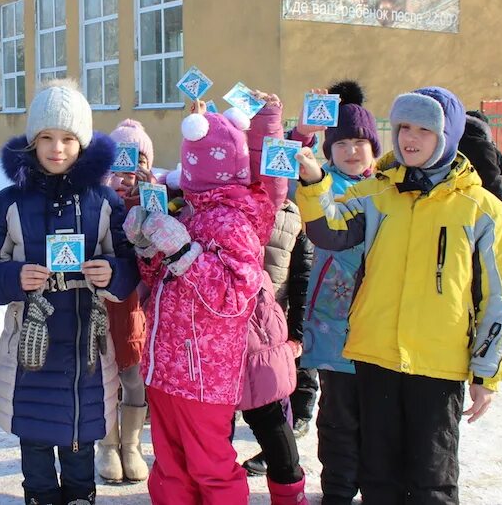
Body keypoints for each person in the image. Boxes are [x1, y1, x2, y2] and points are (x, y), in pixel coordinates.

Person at [296, 86, 502, 504]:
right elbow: (329, 229)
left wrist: (486, 373)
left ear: (447, 136)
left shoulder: (482, 209)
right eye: (402, 128)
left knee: (431, 479)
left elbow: (499, 298)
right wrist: (314, 182)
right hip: (374, 355)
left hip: (438, 366)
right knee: (379, 479)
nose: (409, 138)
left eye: (424, 130)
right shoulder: (378, 193)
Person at [0, 79, 138, 505]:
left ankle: (82, 496)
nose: (57, 148)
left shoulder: (104, 203)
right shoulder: (7, 203)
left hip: (86, 351)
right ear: (32, 142)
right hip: (31, 352)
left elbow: (131, 270)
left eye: (67, 138)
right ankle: (40, 496)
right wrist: (15, 278)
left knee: (80, 441)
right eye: (46, 137)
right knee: (35, 442)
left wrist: (111, 274)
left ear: (82, 144)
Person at [124, 95, 292, 504]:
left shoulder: (234, 221)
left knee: (211, 469)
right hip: (165, 366)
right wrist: (148, 249)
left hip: (203, 374)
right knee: (170, 468)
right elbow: (163, 282)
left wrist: (183, 253)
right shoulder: (190, 213)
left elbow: (235, 297)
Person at [291, 80, 380, 505]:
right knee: (339, 417)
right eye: (341, 142)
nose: (351, 150)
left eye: (360, 142)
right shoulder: (320, 183)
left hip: (380, 324)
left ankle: (375, 486)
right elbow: (286, 160)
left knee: (377, 417)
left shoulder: (388, 187)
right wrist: (304, 131)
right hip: (332, 324)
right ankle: (338, 492)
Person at [240, 199, 314, 481]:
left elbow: (302, 280)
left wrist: (298, 334)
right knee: (221, 420)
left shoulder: (290, 218)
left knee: (270, 412)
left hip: (269, 334)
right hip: (221, 335)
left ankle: (286, 479)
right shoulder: (220, 206)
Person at [97, 119, 154, 483]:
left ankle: (131, 444)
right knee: (103, 377)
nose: (127, 174)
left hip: (136, 306)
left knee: (133, 375)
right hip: (103, 303)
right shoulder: (97, 200)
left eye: (137, 163)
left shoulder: (158, 200)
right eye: (119, 164)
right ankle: (107, 445)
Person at [460, 110, 502, 208]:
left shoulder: (451, 145)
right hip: (480, 203)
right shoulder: (483, 147)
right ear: (484, 128)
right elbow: (491, 181)